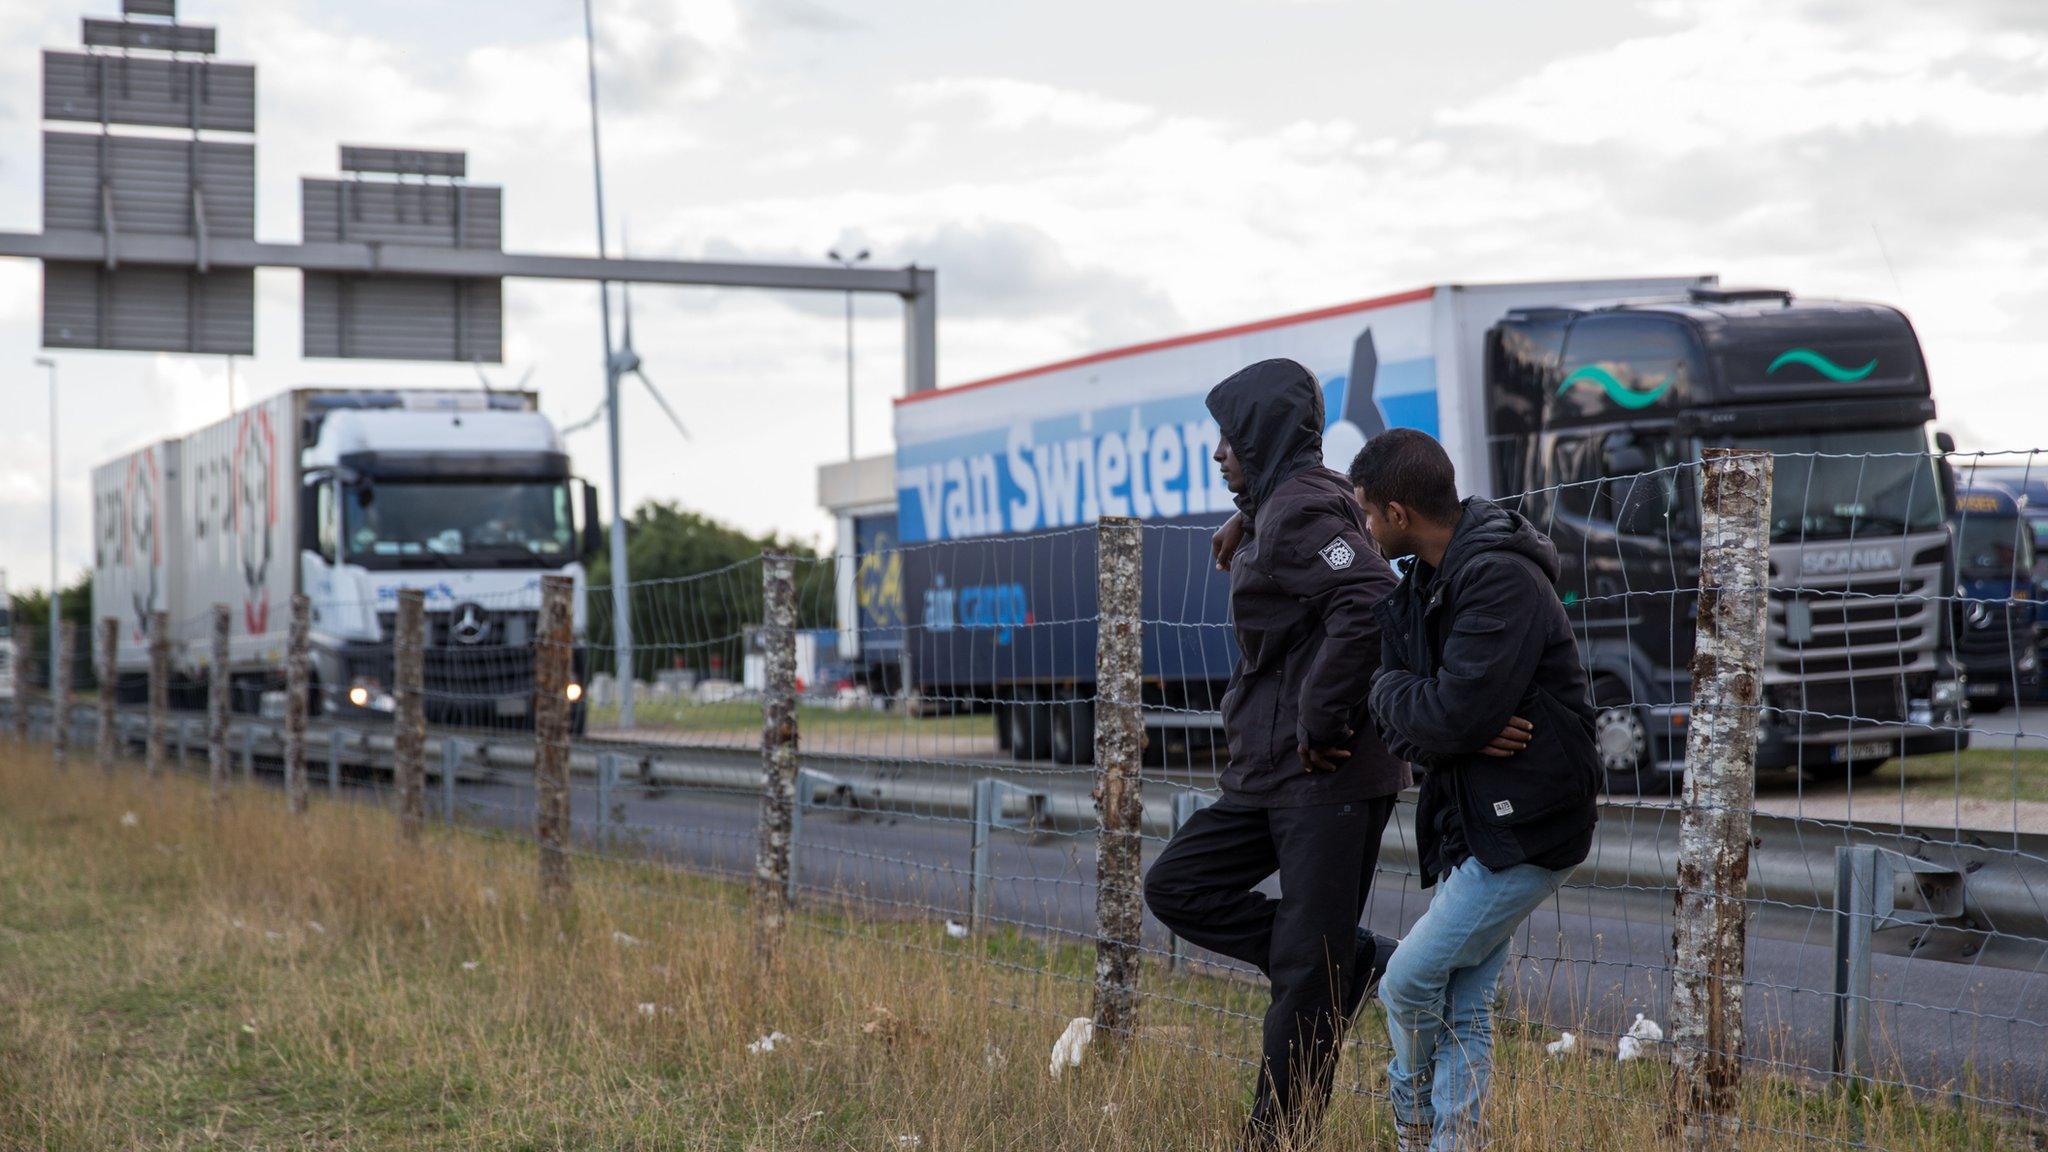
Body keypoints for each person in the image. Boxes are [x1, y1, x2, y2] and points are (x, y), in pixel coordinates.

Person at [1142, 358, 1408, 1151]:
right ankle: (1347, 961)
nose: (1218, 452)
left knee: (1302, 981)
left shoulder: (1298, 511)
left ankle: (1276, 1138)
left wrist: (1325, 720)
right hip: (1271, 775)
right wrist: (1249, 517)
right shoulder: (1288, 502)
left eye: (1228, 437)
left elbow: (1367, 598)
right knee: (1179, 885)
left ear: (1257, 435)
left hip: (1322, 772)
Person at [1349, 428, 1600, 1152]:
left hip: (1526, 825)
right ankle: (1455, 1144)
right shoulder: (1423, 584)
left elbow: (1452, 712)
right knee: (1464, 1000)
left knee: (1405, 983)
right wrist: (1443, 717)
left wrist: (1444, 716)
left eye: (1367, 514)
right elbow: (1406, 719)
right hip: (1474, 820)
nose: (1365, 530)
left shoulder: (1499, 578)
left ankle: (1413, 1123)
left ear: (1399, 513)